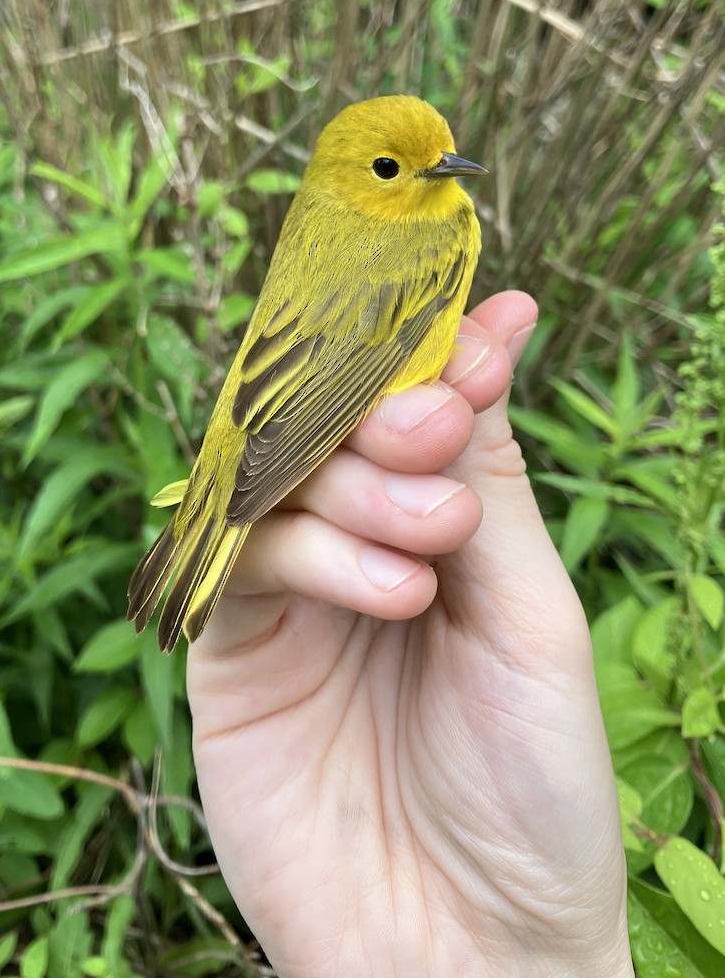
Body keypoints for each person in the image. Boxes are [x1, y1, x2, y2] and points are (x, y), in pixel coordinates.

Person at [187, 290, 635, 978]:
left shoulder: (430, 215)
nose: (449, 174)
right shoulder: (427, 231)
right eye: (395, 168)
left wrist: (552, 956)